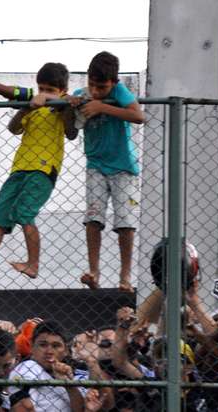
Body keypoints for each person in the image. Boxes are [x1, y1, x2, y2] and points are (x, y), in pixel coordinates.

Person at [0, 63, 77, 277]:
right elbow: (14, 128)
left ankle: (33, 264)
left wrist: (59, 103)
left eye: (50, 90)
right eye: (41, 88)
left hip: (43, 170)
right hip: (20, 168)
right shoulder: (33, 107)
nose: (44, 93)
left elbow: (71, 132)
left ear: (62, 91)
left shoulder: (64, 107)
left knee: (24, 212)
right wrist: (27, 107)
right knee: (0, 211)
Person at [69, 51, 144, 292]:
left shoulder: (118, 93)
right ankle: (94, 270)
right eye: (92, 84)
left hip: (122, 166)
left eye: (101, 87)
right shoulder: (83, 95)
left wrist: (103, 107)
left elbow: (138, 115)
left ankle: (125, 276)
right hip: (96, 165)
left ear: (114, 82)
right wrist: (70, 107)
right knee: (93, 217)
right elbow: (71, 130)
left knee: (125, 221)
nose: (96, 90)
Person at [6, 320, 88, 412]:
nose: (49, 351)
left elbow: (80, 410)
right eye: (43, 345)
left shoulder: (66, 374)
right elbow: (23, 408)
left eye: (56, 346)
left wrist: (68, 384)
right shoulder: (28, 367)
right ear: (32, 346)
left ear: (65, 351)